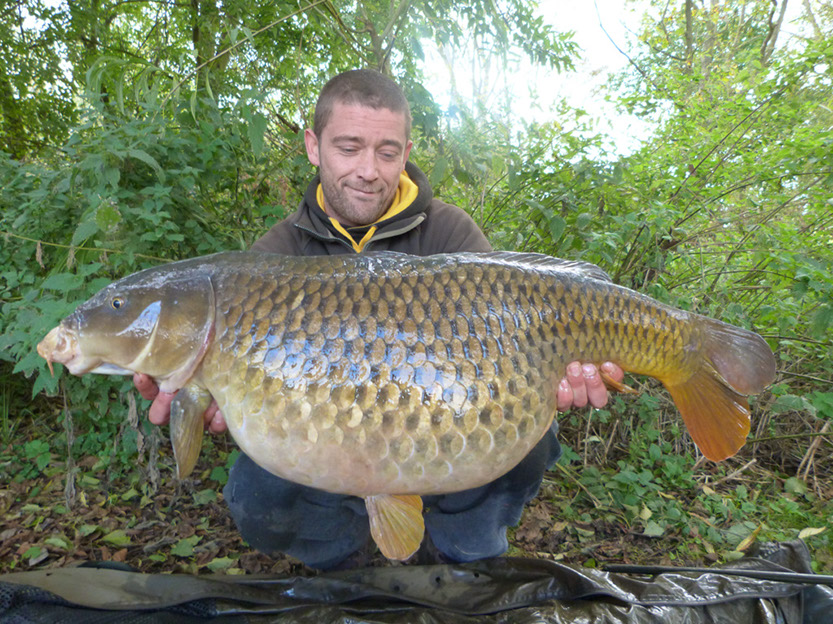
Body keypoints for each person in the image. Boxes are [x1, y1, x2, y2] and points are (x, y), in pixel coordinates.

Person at [134, 69, 624, 569]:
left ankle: (462, 553)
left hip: (443, 434)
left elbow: (510, 347)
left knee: (533, 443)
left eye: (387, 152)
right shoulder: (276, 256)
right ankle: (342, 563)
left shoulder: (450, 233)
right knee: (255, 492)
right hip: (330, 447)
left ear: (405, 153)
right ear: (313, 146)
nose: (369, 170)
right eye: (349, 148)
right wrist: (212, 394)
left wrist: (566, 372)